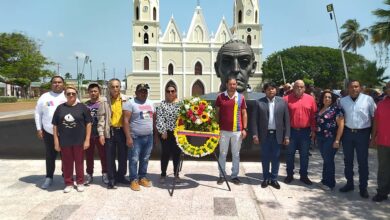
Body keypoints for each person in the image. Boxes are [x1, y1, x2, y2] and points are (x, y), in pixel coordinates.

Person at [339, 80, 376, 198]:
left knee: (363, 162)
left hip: (363, 134)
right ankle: (349, 183)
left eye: (356, 86)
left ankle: (363, 188)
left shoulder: (368, 100)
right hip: (348, 134)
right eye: (351, 87)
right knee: (348, 161)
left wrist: (373, 136)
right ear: (347, 88)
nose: (354, 89)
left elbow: (374, 118)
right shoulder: (342, 101)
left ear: (360, 88)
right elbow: (339, 119)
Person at [52, 86, 92, 193]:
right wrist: (56, 140)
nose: (71, 95)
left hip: (79, 140)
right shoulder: (60, 108)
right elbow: (55, 125)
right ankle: (68, 183)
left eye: (73, 93)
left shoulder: (82, 107)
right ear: (65, 95)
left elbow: (88, 124)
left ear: (76, 94)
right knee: (67, 163)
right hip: (65, 141)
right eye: (68, 93)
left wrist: (87, 139)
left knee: (79, 162)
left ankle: (80, 182)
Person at [252, 82, 290, 189]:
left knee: (276, 158)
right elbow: (254, 121)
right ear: (265, 91)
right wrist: (255, 135)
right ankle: (265, 178)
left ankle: (274, 179)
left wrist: (287, 136)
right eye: (268, 89)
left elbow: (286, 120)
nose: (271, 91)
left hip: (277, 135)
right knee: (265, 157)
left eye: (273, 89)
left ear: (276, 90)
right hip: (265, 135)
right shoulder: (259, 102)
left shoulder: (282, 102)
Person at [97, 78, 131, 189]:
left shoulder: (126, 99)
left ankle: (121, 176)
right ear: (109, 88)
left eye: (117, 86)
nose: (115, 89)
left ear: (120, 87)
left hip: (122, 131)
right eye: (113, 86)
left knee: (123, 155)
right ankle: (112, 179)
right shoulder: (104, 101)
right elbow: (101, 118)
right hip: (110, 131)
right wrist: (101, 134)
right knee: (110, 156)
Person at [34, 75, 67, 189]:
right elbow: (38, 113)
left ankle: (65, 176)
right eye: (54, 82)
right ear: (51, 84)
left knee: (66, 156)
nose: (57, 84)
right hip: (48, 131)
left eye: (59, 82)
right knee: (50, 155)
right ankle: (49, 177)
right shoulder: (44, 97)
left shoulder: (69, 95)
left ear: (63, 84)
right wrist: (39, 128)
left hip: (66, 132)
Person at [283, 80, 317, 185]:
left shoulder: (310, 99)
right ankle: (289, 175)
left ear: (304, 88)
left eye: (301, 87)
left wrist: (314, 130)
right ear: (293, 88)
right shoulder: (286, 99)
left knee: (304, 155)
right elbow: (282, 117)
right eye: (297, 86)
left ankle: (304, 176)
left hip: (305, 132)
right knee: (289, 154)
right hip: (291, 131)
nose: (299, 88)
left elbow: (313, 116)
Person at [123, 83, 156, 191]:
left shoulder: (151, 103)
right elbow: (126, 121)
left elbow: (153, 120)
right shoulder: (130, 103)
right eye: (141, 91)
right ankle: (133, 179)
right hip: (135, 137)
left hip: (149, 136)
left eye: (145, 91)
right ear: (136, 92)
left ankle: (142, 177)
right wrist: (128, 137)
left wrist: (154, 135)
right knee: (133, 159)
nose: (143, 93)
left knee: (145, 158)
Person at [215, 77, 248, 185]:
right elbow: (217, 113)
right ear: (226, 84)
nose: (232, 86)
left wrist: (244, 128)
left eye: (234, 84)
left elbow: (244, 113)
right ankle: (222, 175)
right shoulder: (220, 97)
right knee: (222, 154)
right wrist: (216, 128)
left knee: (236, 154)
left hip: (237, 131)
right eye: (230, 84)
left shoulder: (240, 97)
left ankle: (234, 176)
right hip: (223, 131)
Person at [315, 90, 344, 191]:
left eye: (329, 97)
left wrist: (337, 140)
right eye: (325, 97)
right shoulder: (320, 108)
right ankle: (324, 180)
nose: (327, 99)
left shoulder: (336, 109)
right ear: (322, 99)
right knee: (326, 160)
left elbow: (341, 125)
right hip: (320, 138)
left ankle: (330, 183)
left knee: (329, 160)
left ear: (333, 99)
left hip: (330, 138)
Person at [155, 83, 182, 184]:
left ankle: (176, 174)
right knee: (165, 153)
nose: (170, 93)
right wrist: (163, 131)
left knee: (177, 154)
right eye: (168, 91)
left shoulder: (180, 104)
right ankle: (163, 174)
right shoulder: (162, 104)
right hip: (165, 133)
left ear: (175, 92)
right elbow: (159, 118)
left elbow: (183, 118)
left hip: (177, 134)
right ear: (166, 93)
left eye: (172, 91)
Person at [84, 83, 108, 185]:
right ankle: (89, 174)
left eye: (95, 91)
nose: (93, 93)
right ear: (88, 92)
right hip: (89, 134)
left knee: (104, 155)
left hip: (100, 134)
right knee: (89, 156)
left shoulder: (104, 103)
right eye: (91, 91)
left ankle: (105, 173)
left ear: (99, 92)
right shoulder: (85, 105)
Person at [371, 82, 390, 202]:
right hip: (383, 141)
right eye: (388, 87)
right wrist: (373, 138)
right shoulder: (381, 104)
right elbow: (376, 123)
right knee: (383, 169)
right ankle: (382, 192)